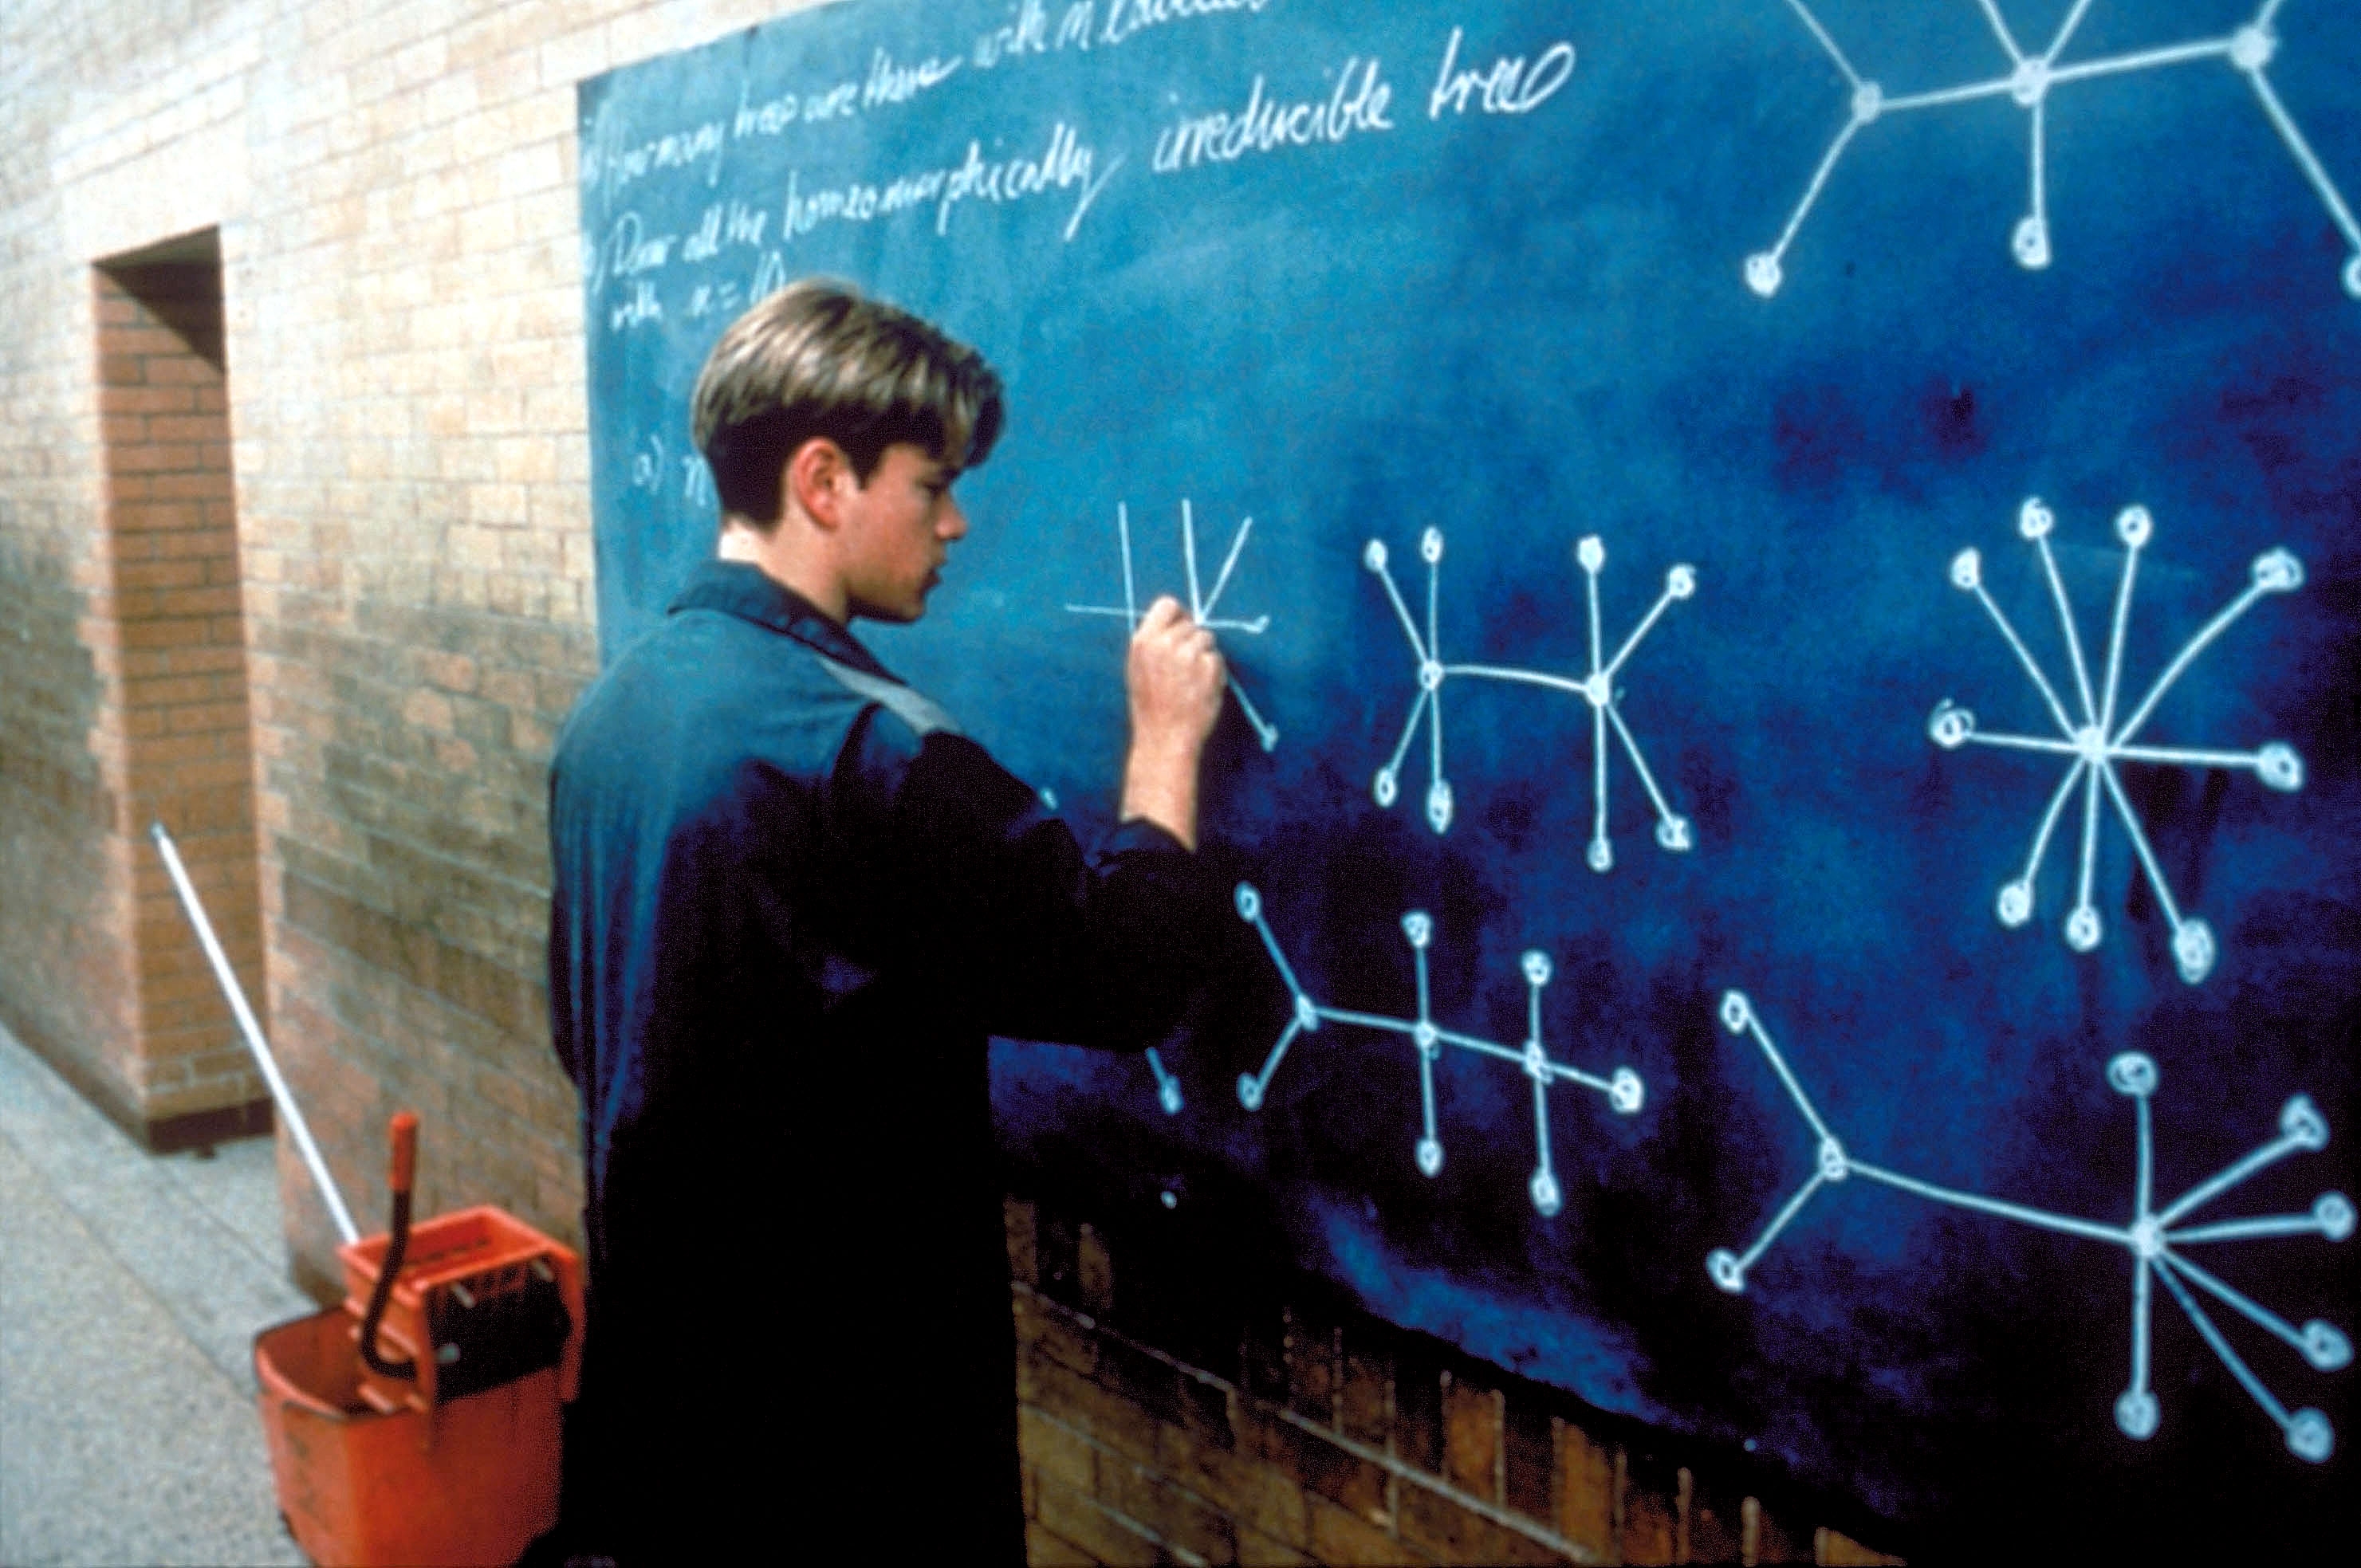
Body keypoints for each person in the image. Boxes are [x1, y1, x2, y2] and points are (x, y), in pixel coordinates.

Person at [543, 278, 1227, 1562]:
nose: (956, 523)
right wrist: (1165, 746)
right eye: (931, 483)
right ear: (822, 482)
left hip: (667, 1389)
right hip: (847, 1422)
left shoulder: (613, 714)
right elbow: (1125, 974)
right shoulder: (871, 752)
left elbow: (582, 1023)